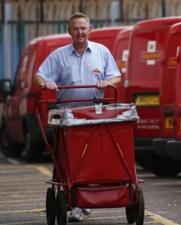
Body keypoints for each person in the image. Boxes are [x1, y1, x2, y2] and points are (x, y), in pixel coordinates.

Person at [34, 12, 121, 222]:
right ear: (69, 31)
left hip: (94, 115)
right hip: (68, 118)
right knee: (71, 163)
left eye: (83, 28)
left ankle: (87, 200)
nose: (80, 32)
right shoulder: (58, 56)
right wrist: (46, 83)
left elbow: (116, 76)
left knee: (92, 160)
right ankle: (75, 203)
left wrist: (108, 83)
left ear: (90, 30)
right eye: (76, 28)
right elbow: (38, 76)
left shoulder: (102, 52)